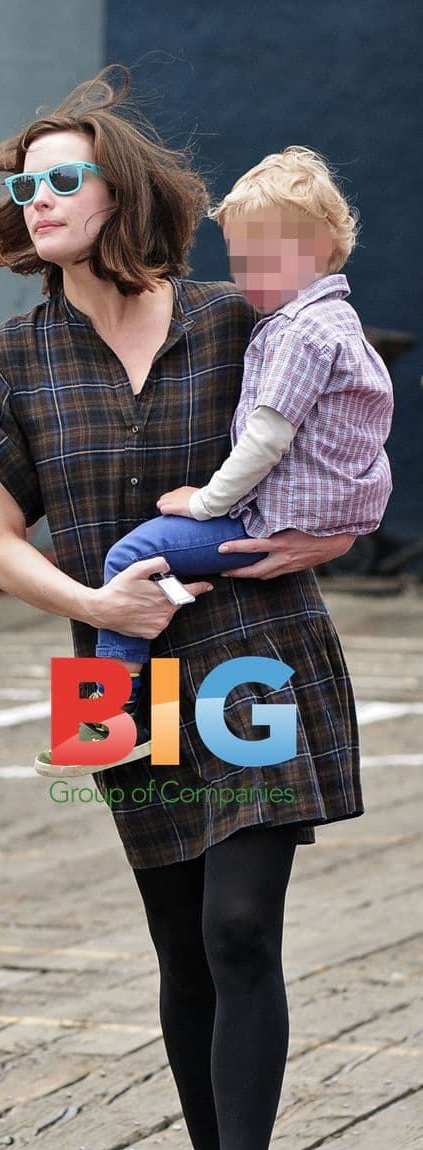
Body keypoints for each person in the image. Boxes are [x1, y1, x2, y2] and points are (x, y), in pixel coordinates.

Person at [0, 66, 362, 1150]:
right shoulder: (11, 358)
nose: (37, 200)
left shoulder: (238, 319)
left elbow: (342, 427)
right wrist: (93, 606)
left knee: (239, 924)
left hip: (253, 652)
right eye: (24, 187)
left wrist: (325, 532)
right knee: (180, 941)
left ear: (117, 191)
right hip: (113, 676)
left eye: (63, 178)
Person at [69, 145, 393, 773]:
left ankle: (101, 721)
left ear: (321, 249)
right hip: (309, 514)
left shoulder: (298, 331)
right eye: (240, 260)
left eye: (266, 259)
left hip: (270, 520)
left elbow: (267, 439)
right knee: (152, 569)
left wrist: (205, 502)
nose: (248, 276)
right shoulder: (336, 321)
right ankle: (157, 626)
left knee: (128, 556)